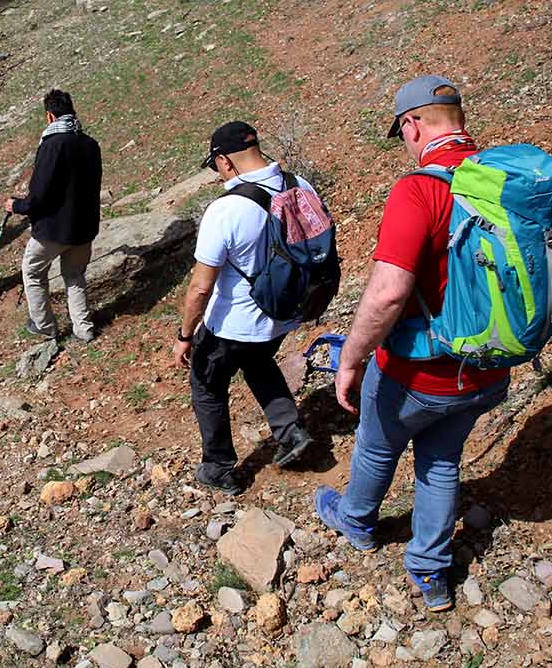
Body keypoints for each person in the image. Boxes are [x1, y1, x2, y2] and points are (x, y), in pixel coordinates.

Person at [313, 76, 510, 613]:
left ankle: (355, 521)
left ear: (412, 125)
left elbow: (387, 295)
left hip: (419, 373)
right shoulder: (502, 180)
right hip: (488, 368)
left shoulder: (419, 189)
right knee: (442, 460)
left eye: (402, 133)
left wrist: (350, 360)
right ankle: (430, 573)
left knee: (378, 445)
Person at [172, 121, 315, 497]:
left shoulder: (226, 209)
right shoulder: (299, 184)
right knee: (258, 362)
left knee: (207, 385)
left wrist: (185, 335)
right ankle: (290, 431)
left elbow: (201, 286)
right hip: (282, 314)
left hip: (230, 323)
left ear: (224, 162)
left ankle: (218, 467)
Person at [4, 90, 102, 343]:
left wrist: (17, 206)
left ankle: (45, 325)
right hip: (84, 226)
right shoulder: (90, 144)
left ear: (50, 116)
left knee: (33, 272)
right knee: (75, 276)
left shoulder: (52, 145)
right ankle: (84, 328)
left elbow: (39, 195)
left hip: (54, 229)